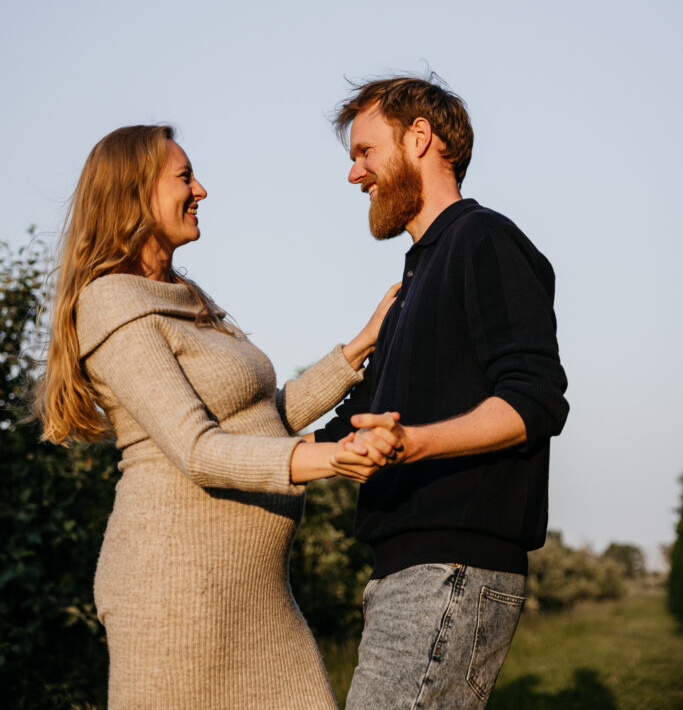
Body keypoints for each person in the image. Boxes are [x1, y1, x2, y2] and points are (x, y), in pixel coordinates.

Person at [35, 124, 398, 710]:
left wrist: (359, 347)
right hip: (176, 597)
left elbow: (258, 419)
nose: (201, 189)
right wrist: (331, 458)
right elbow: (198, 449)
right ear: (134, 194)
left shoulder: (185, 294)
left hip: (254, 594)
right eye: (184, 177)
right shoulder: (112, 301)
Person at [314, 75, 570, 710]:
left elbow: (534, 399)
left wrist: (414, 444)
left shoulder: (484, 240)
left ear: (420, 138)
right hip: (408, 572)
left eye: (364, 152)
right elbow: (354, 429)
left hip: (451, 568)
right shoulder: (412, 283)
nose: (355, 175)